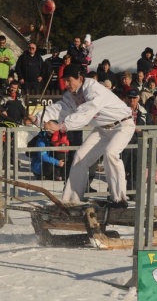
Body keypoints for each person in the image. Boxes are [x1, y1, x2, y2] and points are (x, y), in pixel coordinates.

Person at [35, 63, 135, 208]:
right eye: (65, 81)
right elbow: (60, 108)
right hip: (102, 129)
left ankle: (119, 199)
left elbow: (86, 111)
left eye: (69, 80)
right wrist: (39, 118)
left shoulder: (92, 88)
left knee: (110, 154)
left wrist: (62, 126)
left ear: (80, 78)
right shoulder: (71, 95)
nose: (67, 84)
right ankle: (71, 200)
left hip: (123, 125)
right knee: (80, 156)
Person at [122, 89, 148, 191]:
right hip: (125, 140)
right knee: (121, 167)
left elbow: (149, 124)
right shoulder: (123, 110)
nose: (132, 100)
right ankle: (114, 192)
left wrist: (142, 130)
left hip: (138, 140)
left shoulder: (143, 111)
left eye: (134, 97)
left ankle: (132, 191)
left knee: (136, 167)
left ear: (138, 98)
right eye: (130, 97)